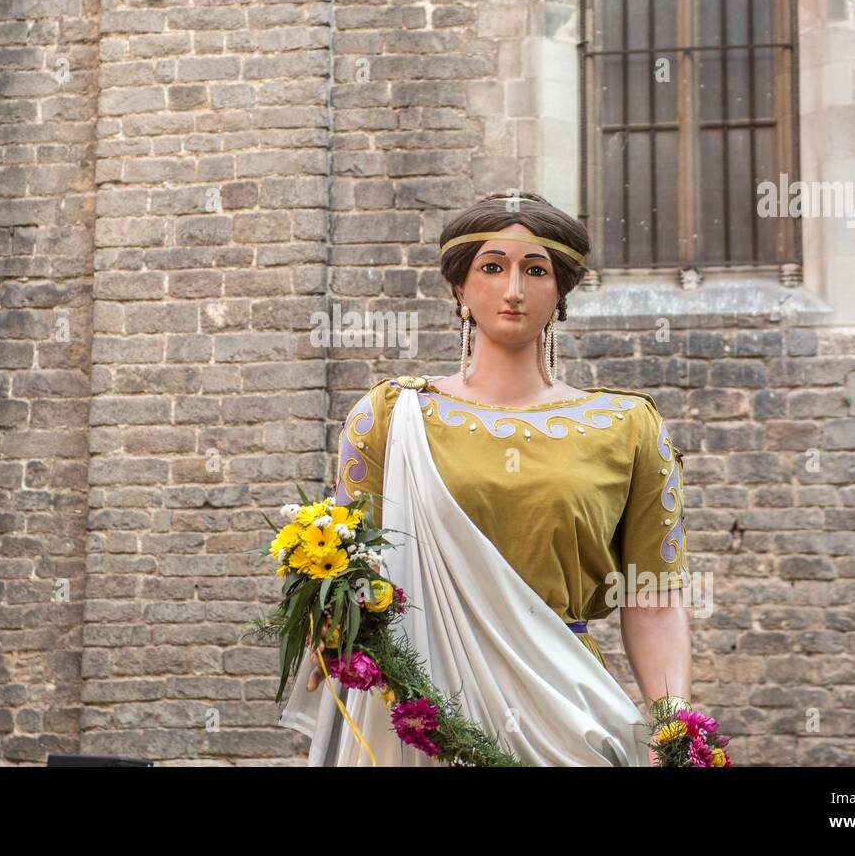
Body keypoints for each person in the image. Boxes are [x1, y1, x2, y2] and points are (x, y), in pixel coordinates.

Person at [278, 191, 692, 766]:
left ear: (561, 293)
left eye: (536, 270)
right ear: (460, 289)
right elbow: (349, 577)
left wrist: (674, 733)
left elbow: (652, 597)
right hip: (422, 710)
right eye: (492, 267)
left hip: (567, 709)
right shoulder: (391, 418)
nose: (514, 289)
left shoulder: (627, 427)